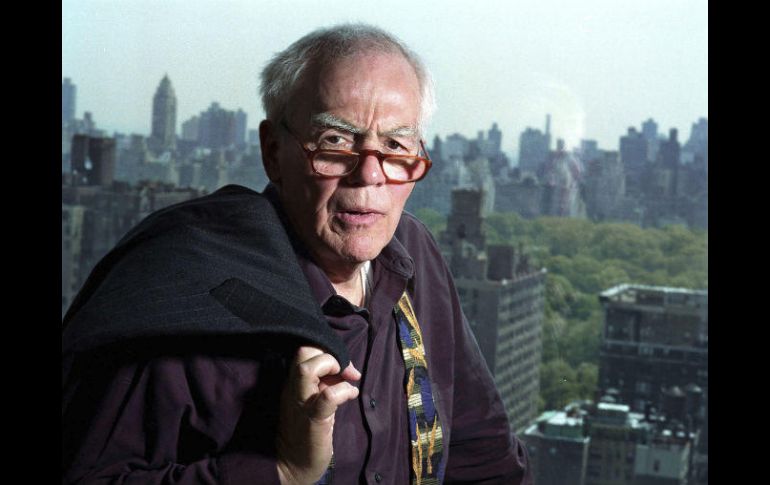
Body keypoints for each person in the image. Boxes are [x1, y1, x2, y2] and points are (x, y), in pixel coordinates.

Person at [62, 23, 532, 484]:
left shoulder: (417, 256)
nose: (370, 175)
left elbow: (484, 455)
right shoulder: (183, 292)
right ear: (273, 151)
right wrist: (278, 471)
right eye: (335, 141)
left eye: (394, 145)